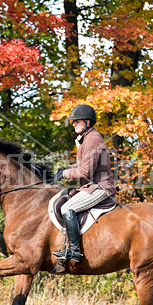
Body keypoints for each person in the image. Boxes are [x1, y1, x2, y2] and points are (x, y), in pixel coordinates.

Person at [53, 104, 115, 263]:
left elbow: (85, 171)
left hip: (101, 187)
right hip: (89, 186)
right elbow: (82, 166)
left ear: (88, 122)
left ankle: (74, 251)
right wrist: (67, 168)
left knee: (67, 208)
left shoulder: (92, 140)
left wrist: (66, 173)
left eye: (77, 121)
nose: (73, 124)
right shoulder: (87, 138)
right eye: (73, 121)